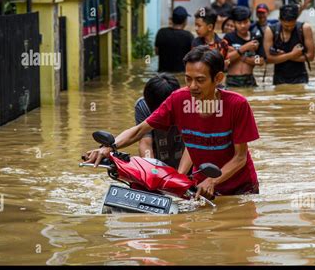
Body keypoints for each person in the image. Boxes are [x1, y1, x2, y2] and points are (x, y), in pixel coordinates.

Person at [84, 46, 260, 198]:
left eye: (200, 80)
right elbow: (140, 130)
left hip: (241, 189)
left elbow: (240, 157)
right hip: (200, 186)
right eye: (188, 79)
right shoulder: (178, 99)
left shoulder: (237, 105)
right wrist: (110, 147)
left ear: (219, 78)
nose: (192, 86)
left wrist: (213, 180)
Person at [134, 74, 184, 169]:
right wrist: (151, 170)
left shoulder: (187, 106)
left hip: (187, 165)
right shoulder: (143, 106)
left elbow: (191, 146)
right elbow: (145, 142)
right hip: (158, 163)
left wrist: (179, 176)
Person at [263, 4, 315, 85]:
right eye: (286, 26)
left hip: (300, 78)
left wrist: (282, 56)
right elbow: (268, 59)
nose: (289, 28)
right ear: (280, 20)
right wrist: (292, 54)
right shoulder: (270, 30)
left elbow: (311, 57)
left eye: (292, 25)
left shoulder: (304, 28)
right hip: (279, 78)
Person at [223, 6, 265, 87]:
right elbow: (225, 60)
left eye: (245, 22)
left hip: (250, 80)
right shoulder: (229, 38)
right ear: (234, 23)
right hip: (232, 80)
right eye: (239, 23)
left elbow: (260, 61)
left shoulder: (256, 38)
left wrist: (243, 57)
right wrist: (245, 48)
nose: (243, 25)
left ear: (250, 21)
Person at [154, 6, 194, 72]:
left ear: (172, 19)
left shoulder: (161, 32)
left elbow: (156, 52)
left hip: (162, 76)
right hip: (181, 75)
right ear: (185, 21)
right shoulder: (189, 36)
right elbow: (193, 58)